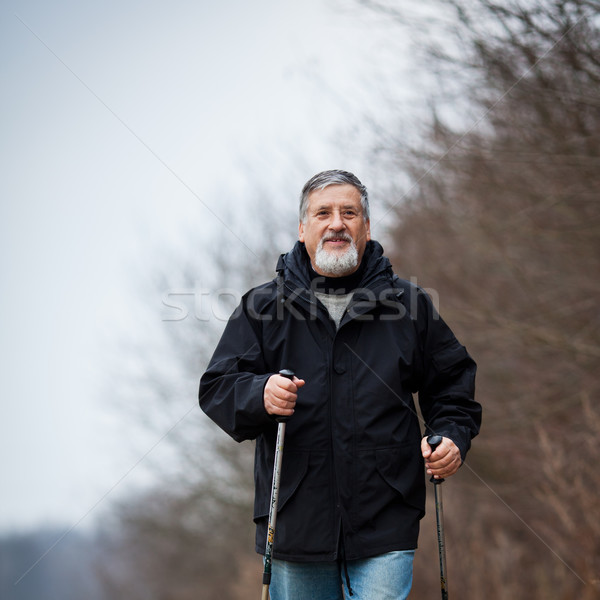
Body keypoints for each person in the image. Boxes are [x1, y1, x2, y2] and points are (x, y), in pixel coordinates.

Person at [199, 169, 481, 599]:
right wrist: (260, 394)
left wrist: (451, 437)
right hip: (295, 523)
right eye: (323, 213)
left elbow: (453, 386)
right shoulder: (261, 306)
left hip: (386, 518)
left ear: (366, 226)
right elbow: (217, 388)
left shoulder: (411, 305)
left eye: (349, 212)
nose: (337, 223)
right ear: (302, 227)